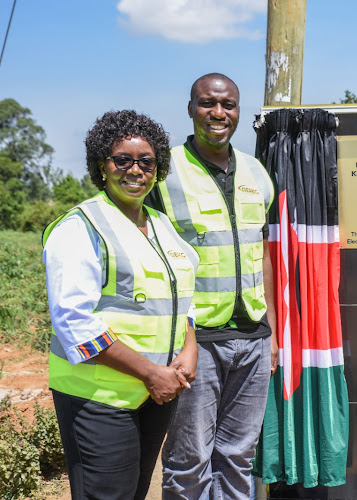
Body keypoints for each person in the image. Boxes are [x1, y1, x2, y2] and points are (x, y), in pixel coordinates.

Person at [43, 110, 200, 500]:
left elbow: (183, 299)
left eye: (146, 161)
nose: (135, 170)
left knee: (133, 492)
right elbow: (74, 322)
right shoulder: (80, 227)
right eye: (122, 160)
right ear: (102, 165)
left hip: (153, 393)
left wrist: (190, 347)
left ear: (157, 167)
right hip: (98, 398)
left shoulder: (162, 225)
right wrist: (151, 372)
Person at [146, 72, 278, 499]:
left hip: (254, 340)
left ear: (238, 111)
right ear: (191, 109)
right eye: (207, 103)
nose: (218, 113)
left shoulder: (257, 173)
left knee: (239, 457)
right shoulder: (162, 174)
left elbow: (263, 254)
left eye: (228, 105)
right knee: (189, 461)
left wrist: (272, 332)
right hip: (194, 342)